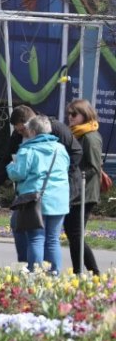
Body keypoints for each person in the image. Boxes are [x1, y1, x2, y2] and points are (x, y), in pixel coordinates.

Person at [0, 105, 82, 214]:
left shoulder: (56, 128)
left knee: (64, 228)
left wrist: (62, 173)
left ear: (30, 122)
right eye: (18, 131)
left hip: (60, 191)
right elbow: (8, 159)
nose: (22, 133)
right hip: (32, 194)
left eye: (22, 129)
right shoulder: (17, 136)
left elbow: (76, 152)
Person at [6, 114, 69, 273]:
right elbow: (66, 168)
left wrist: (10, 167)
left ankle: (36, 274)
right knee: (53, 240)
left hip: (35, 199)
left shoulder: (27, 150)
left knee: (36, 238)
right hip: (59, 200)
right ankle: (54, 273)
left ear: (33, 131)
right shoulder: (60, 149)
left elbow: (18, 174)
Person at [65, 98, 102, 275]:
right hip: (75, 191)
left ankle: (94, 272)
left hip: (85, 192)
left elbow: (94, 166)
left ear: (85, 114)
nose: (70, 117)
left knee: (75, 233)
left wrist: (74, 174)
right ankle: (78, 272)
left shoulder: (89, 136)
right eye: (69, 114)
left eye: (74, 114)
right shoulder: (76, 134)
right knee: (73, 233)